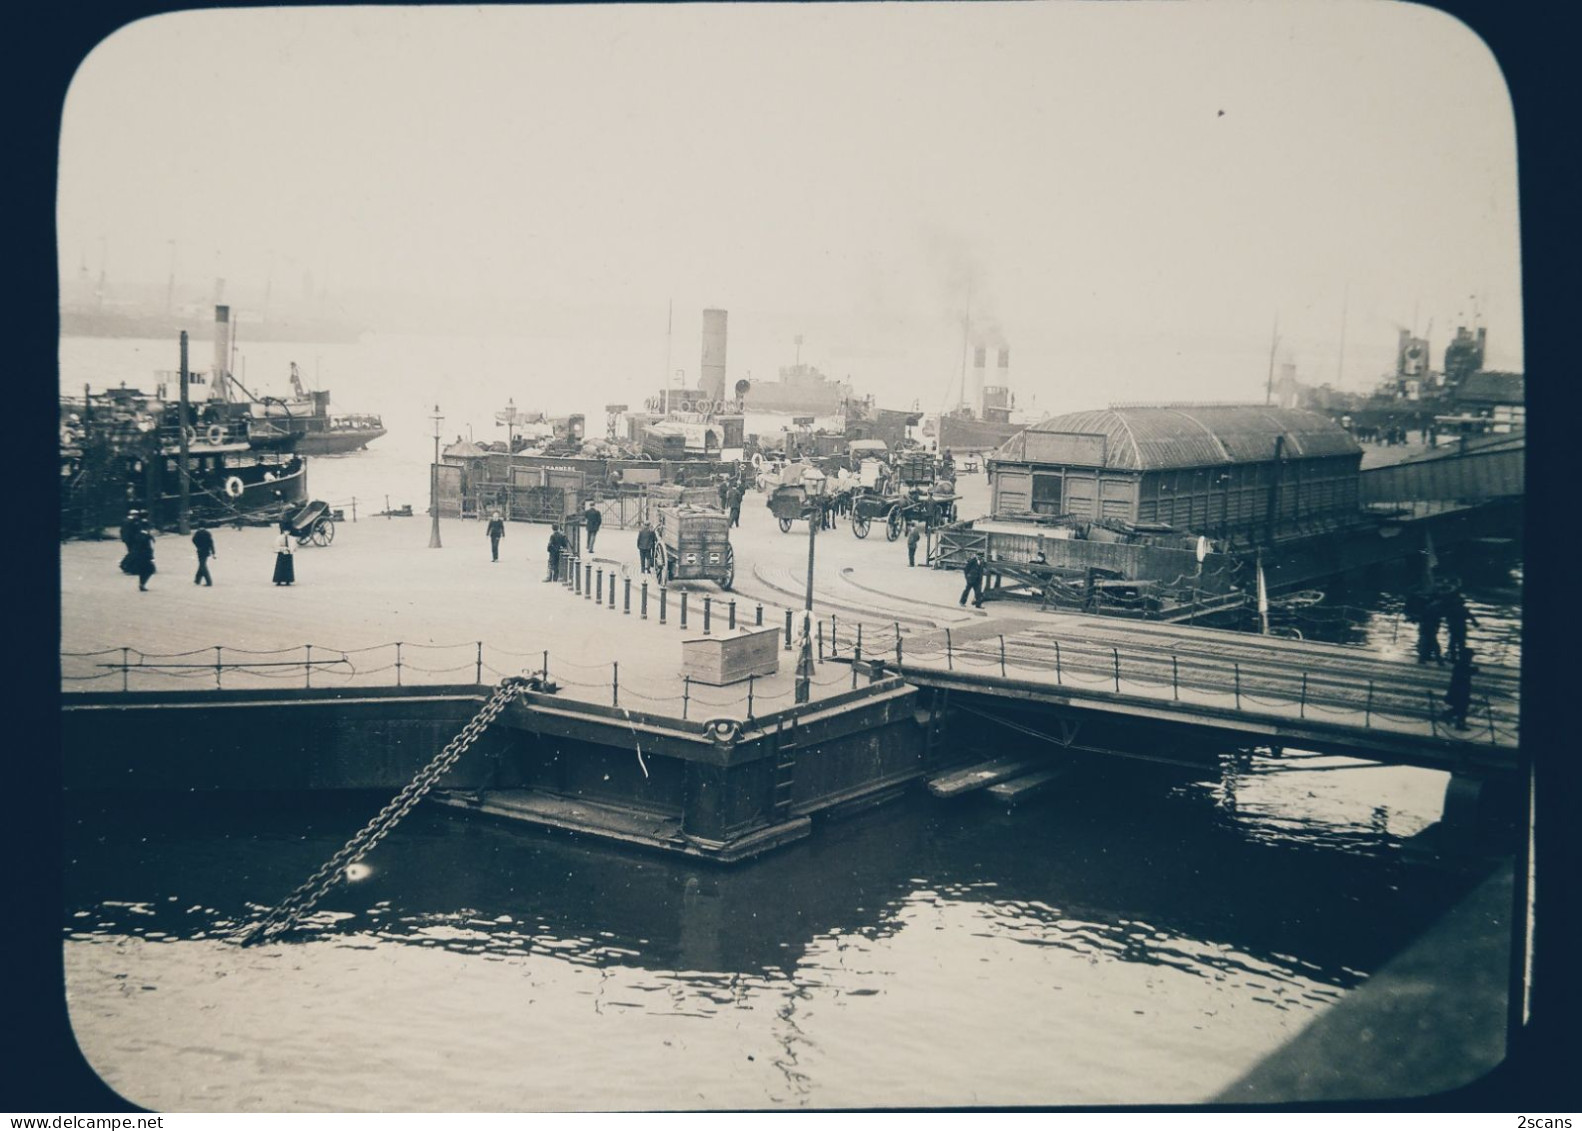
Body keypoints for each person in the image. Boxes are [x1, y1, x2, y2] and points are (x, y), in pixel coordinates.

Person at [1443, 648, 1478, 731]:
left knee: (1460, 707)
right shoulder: (1462, 664)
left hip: (1460, 690)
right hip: (1460, 691)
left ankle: (1447, 715)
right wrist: (1473, 670)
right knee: (1462, 708)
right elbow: (1464, 674)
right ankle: (1459, 724)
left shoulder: (1461, 664)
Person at [1442, 586, 1480, 662]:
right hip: (1462, 628)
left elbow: (1446, 617)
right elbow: (1472, 618)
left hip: (1453, 628)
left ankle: (1452, 658)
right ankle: (1462, 658)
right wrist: (1476, 624)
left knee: (1452, 643)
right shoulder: (1464, 609)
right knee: (1461, 644)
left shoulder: (1451, 609)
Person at [124, 517, 156, 592]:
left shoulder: (139, 535)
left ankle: (142, 584)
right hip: (144, 556)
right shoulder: (146, 537)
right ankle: (142, 584)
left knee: (143, 570)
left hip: (139, 555)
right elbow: (148, 547)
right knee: (150, 570)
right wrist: (151, 556)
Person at [272, 519, 296, 586]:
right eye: (285, 531)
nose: (286, 533)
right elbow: (276, 545)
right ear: (283, 531)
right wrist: (282, 549)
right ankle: (278, 580)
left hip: (288, 554)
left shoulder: (292, 538)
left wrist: (289, 549)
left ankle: (288, 580)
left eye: (288, 531)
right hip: (281, 554)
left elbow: (293, 546)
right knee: (280, 567)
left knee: (288, 567)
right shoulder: (279, 538)